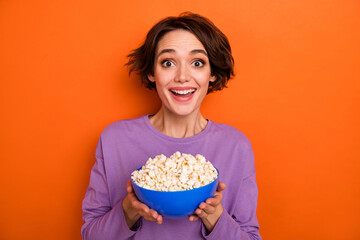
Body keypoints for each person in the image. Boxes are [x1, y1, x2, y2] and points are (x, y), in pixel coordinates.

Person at [81, 12, 261, 240]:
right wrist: (129, 208)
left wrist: (214, 217)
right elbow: (91, 236)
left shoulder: (236, 146)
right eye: (168, 62)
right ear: (151, 72)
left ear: (212, 73)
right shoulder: (114, 140)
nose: (183, 76)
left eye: (197, 62)